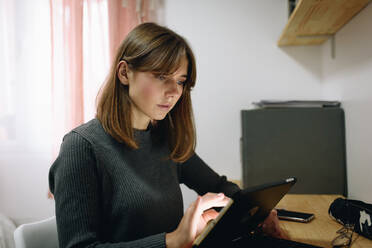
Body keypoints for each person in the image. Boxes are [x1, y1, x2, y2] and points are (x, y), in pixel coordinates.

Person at [49, 22, 284, 248]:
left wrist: (261, 210)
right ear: (124, 73)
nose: (174, 92)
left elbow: (218, 187)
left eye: (181, 81)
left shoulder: (166, 141)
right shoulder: (81, 148)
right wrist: (172, 242)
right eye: (161, 76)